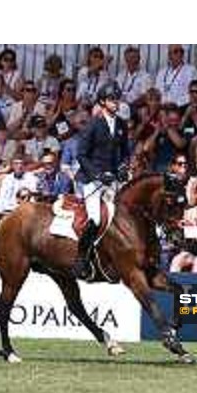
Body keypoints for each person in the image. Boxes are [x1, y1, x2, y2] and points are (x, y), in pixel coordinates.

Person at [73, 81, 130, 278]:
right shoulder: (93, 125)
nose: (116, 103)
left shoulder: (122, 125)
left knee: (121, 218)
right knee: (96, 218)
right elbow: (81, 155)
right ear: (103, 102)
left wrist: (123, 167)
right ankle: (81, 260)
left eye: (117, 99)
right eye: (112, 100)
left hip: (112, 179)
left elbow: (125, 153)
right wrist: (97, 175)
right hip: (92, 180)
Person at [142, 105, 187, 172]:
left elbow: (180, 144)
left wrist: (167, 126)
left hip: (176, 167)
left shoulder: (185, 131)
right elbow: (146, 148)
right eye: (171, 120)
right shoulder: (159, 133)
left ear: (180, 120)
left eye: (176, 120)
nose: (174, 123)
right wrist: (157, 131)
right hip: (158, 167)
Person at [0, 48, 23, 119]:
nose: (8, 62)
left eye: (11, 60)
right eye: (6, 59)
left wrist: (9, 91)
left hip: (11, 106)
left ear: (14, 62)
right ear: (1, 61)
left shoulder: (17, 76)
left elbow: (21, 98)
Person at [60, 110, 90, 185]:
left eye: (88, 121)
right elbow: (64, 165)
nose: (86, 125)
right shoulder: (71, 142)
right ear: (75, 125)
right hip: (81, 179)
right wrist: (74, 177)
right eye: (82, 122)